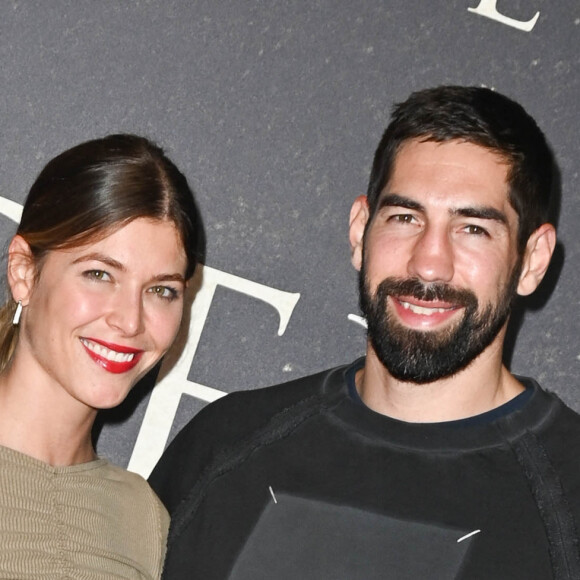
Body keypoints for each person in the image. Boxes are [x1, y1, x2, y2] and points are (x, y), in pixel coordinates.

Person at [149, 86, 580, 579]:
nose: (429, 263)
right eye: (405, 217)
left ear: (532, 261)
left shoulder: (570, 497)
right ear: (360, 231)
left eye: (473, 229)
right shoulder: (224, 444)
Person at [0, 134, 201, 579]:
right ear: (23, 272)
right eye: (99, 274)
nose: (130, 321)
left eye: (161, 290)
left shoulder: (142, 518)